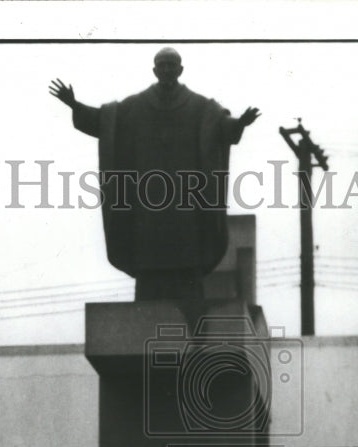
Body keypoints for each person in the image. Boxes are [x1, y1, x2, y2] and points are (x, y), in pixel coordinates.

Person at [50, 47, 260, 299]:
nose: (168, 70)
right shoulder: (136, 107)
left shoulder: (199, 106)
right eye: (163, 65)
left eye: (173, 65)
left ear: (181, 70)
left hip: (186, 204)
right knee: (149, 267)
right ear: (155, 70)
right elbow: (107, 122)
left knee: (188, 266)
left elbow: (220, 127)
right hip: (148, 206)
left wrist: (239, 124)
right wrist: (75, 105)